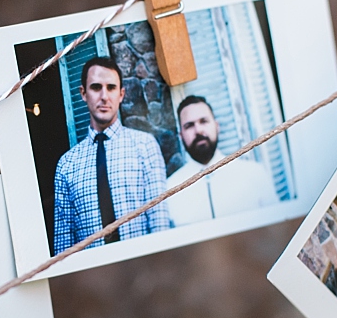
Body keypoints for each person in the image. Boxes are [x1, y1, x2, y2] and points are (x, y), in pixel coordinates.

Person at [52, 56, 169, 253]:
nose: (104, 96)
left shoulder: (145, 146)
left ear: (121, 94)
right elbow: (63, 245)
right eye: (96, 87)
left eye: (111, 88)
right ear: (83, 93)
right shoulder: (67, 165)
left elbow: (160, 221)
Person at [163, 95, 276, 226]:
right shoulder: (171, 189)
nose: (198, 130)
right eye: (189, 126)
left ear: (217, 126)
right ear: (181, 135)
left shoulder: (253, 173)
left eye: (204, 121)